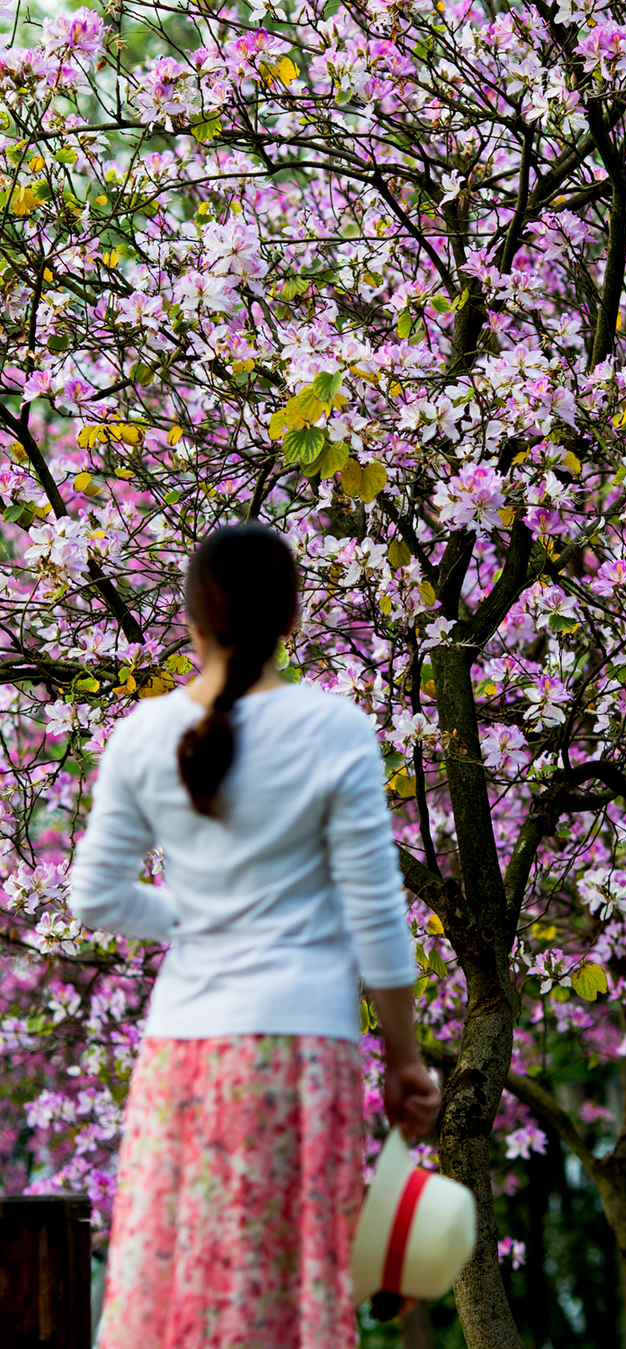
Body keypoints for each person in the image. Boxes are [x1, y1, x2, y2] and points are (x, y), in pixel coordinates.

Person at [69, 522, 440, 1349]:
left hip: (184, 1056)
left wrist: (195, 921)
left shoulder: (142, 734)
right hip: (304, 1052)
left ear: (193, 622)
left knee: (181, 1288)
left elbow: (92, 894)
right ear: (292, 619)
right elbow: (375, 910)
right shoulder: (334, 729)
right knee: (290, 1297)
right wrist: (406, 1059)